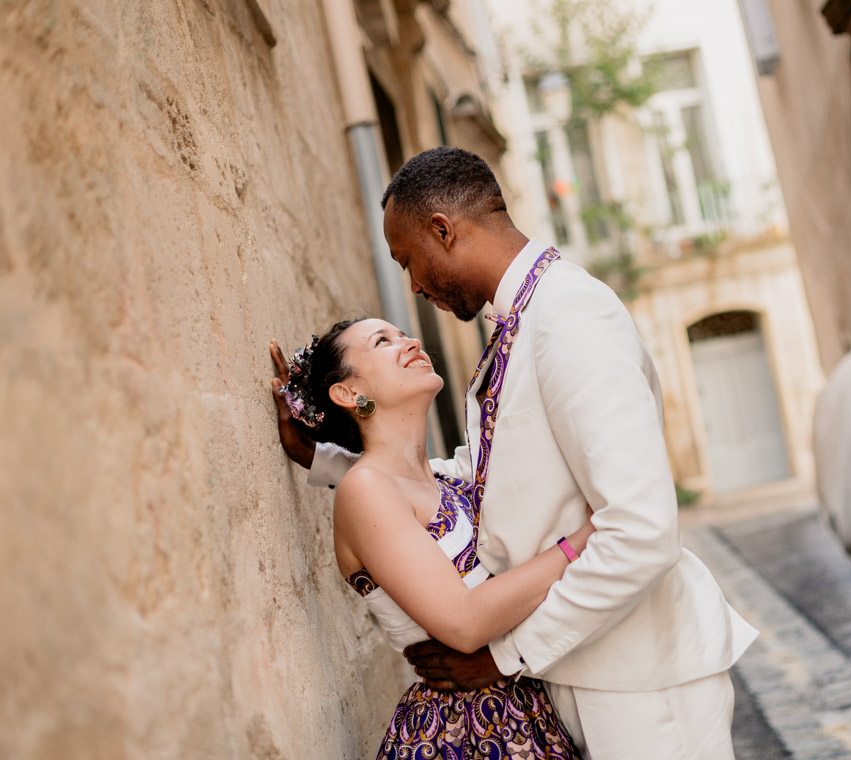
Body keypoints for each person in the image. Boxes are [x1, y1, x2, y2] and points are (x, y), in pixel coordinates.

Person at [274, 147, 757, 759]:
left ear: (442, 230)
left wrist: (503, 656)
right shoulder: (522, 325)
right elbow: (465, 484)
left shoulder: (569, 319)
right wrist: (329, 458)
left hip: (642, 681)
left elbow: (641, 530)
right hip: (580, 676)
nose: (415, 287)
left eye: (407, 260)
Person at [271, 318, 587, 759]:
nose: (410, 341)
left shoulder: (448, 481)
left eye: (403, 334)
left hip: (528, 713)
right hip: (464, 732)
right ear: (347, 394)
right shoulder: (364, 490)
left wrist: (314, 454)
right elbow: (464, 622)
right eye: (383, 341)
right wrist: (582, 542)